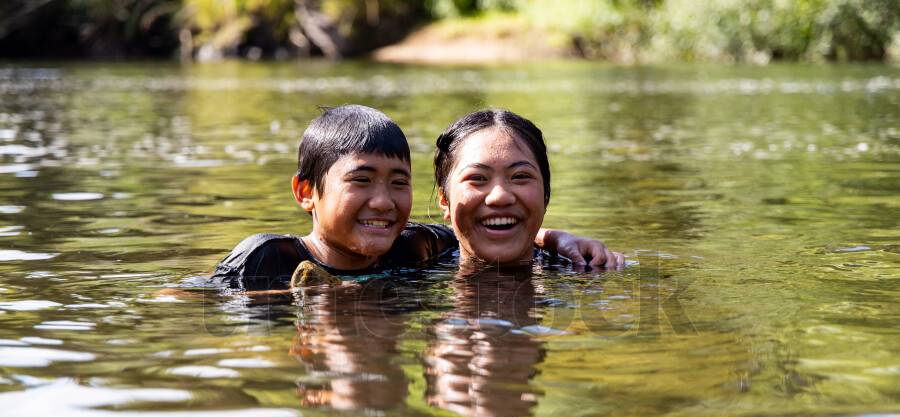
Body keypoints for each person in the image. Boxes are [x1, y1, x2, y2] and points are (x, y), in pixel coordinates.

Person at [210, 104, 621, 291]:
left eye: (399, 183)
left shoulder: (412, 246)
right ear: (306, 192)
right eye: (362, 181)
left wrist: (552, 238)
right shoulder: (266, 258)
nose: (384, 202)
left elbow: (468, 233)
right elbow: (189, 300)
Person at [434, 108, 626, 268]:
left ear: (546, 197)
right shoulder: (410, 255)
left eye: (520, 177)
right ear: (444, 201)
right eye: (477, 178)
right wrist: (550, 238)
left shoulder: (593, 268)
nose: (500, 196)